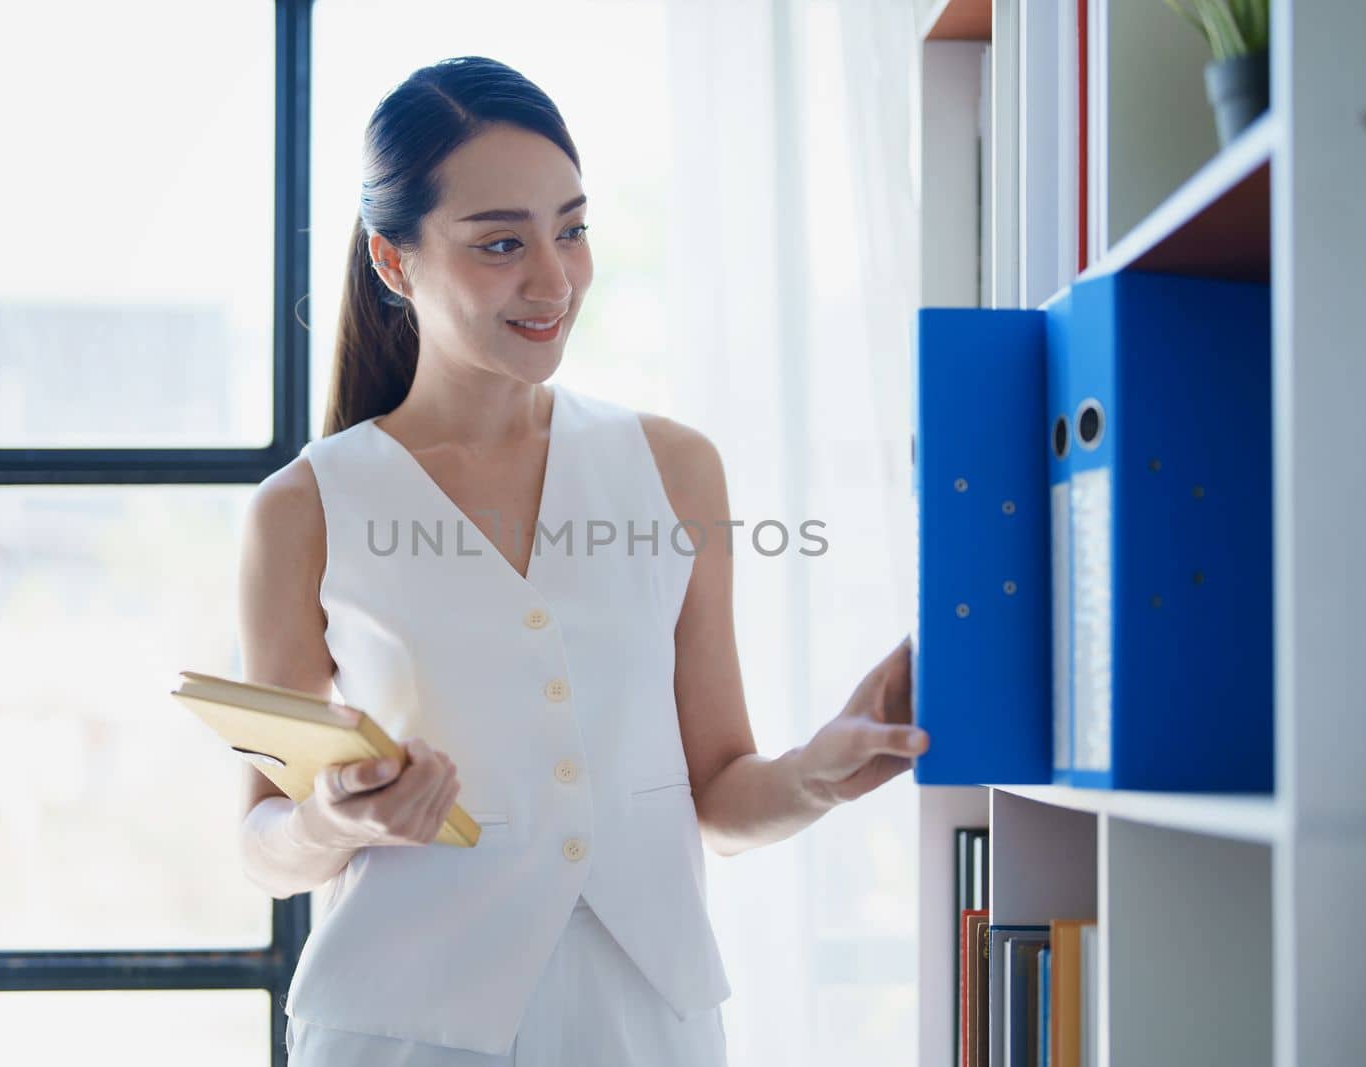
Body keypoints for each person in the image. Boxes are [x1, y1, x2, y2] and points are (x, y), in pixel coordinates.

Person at [235, 55, 930, 1067]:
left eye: (571, 229)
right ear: (395, 262)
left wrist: (815, 773)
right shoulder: (303, 507)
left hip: (644, 1020)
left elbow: (719, 796)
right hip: (400, 1031)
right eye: (501, 243)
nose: (552, 278)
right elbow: (262, 844)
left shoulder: (673, 468)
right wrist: (333, 818)